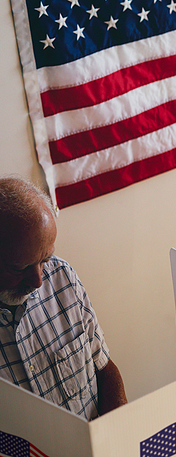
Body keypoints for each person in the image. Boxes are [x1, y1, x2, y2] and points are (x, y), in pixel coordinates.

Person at [0, 176, 127, 420]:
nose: (37, 281)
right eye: (19, 268)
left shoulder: (62, 276)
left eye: (44, 260)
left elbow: (104, 368)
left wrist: (117, 432)